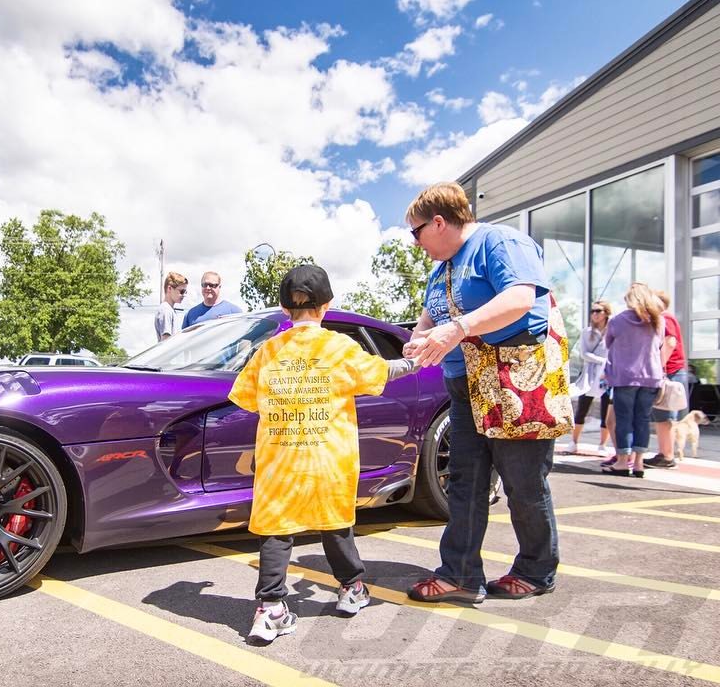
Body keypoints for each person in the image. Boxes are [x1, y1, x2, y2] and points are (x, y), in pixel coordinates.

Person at [228, 265, 419, 643]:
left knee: (276, 531)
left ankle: (270, 609)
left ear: (284, 309)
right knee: (335, 523)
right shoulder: (339, 347)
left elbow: (245, 399)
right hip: (329, 459)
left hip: (280, 460)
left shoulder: (267, 351)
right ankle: (351, 589)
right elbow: (381, 371)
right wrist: (417, 359)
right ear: (327, 305)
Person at [402, 181, 560, 603]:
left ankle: (536, 569)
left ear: (439, 222)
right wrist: (417, 340)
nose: (415, 243)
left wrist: (459, 327)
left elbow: (521, 297)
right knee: (464, 482)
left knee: (523, 482)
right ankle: (460, 574)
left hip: (511, 379)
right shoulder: (442, 267)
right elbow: (428, 320)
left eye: (415, 232)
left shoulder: (501, 241)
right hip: (463, 384)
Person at [603, 283, 664, 477]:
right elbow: (660, 344)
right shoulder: (658, 321)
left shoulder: (617, 321)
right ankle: (638, 464)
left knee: (624, 420)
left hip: (625, 377)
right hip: (651, 377)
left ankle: (622, 462)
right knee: (642, 420)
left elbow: (608, 343)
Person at [644, 290, 688, 469]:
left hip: (670, 372)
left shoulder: (665, 318)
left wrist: (659, 368)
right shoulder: (665, 318)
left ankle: (667, 456)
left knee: (664, 415)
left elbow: (670, 342)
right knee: (663, 416)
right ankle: (665, 453)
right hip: (671, 371)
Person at [567, 300, 613, 454]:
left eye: (598, 311)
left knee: (606, 408)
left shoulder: (612, 330)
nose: (595, 314)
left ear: (606, 312)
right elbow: (584, 353)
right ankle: (573, 441)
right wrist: (602, 361)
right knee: (583, 407)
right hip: (590, 372)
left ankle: (602, 444)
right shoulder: (587, 332)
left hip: (607, 374)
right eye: (593, 311)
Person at [154, 272, 188, 341]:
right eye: (182, 291)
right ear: (169, 288)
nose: (184, 295)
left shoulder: (169, 310)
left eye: (185, 292)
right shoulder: (166, 310)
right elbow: (166, 341)